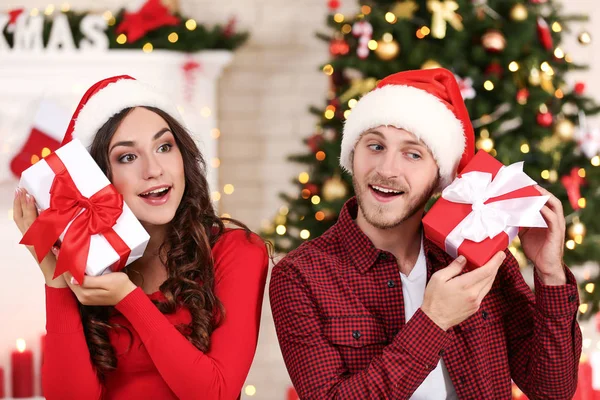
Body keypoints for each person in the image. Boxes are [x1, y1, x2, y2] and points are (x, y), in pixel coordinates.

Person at [269, 68, 581, 399]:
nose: (386, 169)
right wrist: (433, 321)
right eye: (375, 146)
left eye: (413, 154)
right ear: (352, 154)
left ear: (439, 178)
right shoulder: (301, 276)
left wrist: (550, 274)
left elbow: (552, 391)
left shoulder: (478, 254)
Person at [13, 75, 269, 400]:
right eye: (127, 157)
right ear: (96, 179)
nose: (153, 169)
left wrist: (128, 298)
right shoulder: (89, 262)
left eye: (164, 147)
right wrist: (56, 278)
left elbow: (215, 393)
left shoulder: (237, 250)